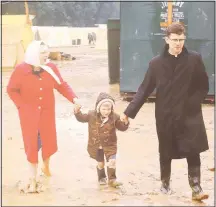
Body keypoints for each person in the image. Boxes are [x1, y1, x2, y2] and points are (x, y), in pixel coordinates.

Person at [121, 23, 209, 201]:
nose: (178, 43)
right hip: (165, 115)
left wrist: (193, 103)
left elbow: (203, 86)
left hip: (190, 114)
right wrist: (128, 112)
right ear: (167, 39)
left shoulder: (194, 59)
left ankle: (196, 187)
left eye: (182, 40)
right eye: (175, 40)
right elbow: (144, 89)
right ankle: (165, 184)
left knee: (193, 150)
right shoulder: (156, 63)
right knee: (166, 150)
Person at [7, 40, 81, 193]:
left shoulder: (51, 68)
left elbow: (61, 85)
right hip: (28, 114)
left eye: (47, 51)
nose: (46, 54)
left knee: (48, 140)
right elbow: (11, 89)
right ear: (33, 54)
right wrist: (21, 106)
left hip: (47, 112)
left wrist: (74, 98)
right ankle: (32, 178)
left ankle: (46, 165)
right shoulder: (21, 70)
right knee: (32, 144)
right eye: (42, 52)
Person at [74, 92, 129, 187]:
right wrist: (77, 112)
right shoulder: (91, 115)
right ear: (98, 108)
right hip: (96, 145)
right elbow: (81, 118)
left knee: (112, 161)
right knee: (101, 163)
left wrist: (125, 122)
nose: (106, 111)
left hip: (110, 145)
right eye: (104, 109)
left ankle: (112, 180)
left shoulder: (114, 117)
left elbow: (121, 127)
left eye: (109, 109)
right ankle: (101, 177)